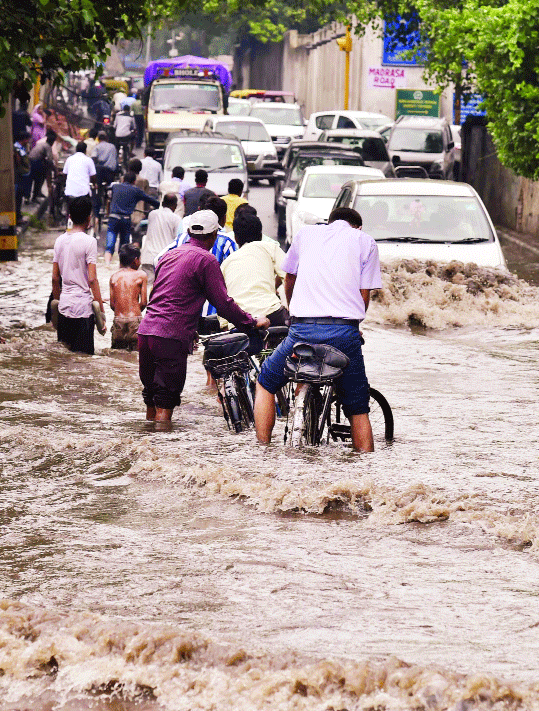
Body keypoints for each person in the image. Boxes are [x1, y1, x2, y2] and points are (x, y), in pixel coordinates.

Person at [254, 207, 383, 453]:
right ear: (357, 227)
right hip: (344, 333)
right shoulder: (365, 241)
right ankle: (367, 468)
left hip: (302, 330)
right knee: (358, 408)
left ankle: (262, 450)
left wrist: (294, 310)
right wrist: (354, 325)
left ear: (329, 222)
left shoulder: (305, 235)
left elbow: (289, 277)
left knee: (266, 382)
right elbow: (363, 296)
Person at [137, 210, 270, 423]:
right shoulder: (206, 260)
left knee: (151, 398)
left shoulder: (168, 256)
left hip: (146, 332)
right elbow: (223, 304)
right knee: (166, 401)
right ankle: (159, 449)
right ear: (214, 235)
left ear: (190, 232)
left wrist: (193, 328)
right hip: (171, 337)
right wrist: (251, 322)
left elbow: (161, 298)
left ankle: (147, 445)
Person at [52, 196, 106, 355]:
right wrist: (101, 311)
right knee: (84, 362)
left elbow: (55, 278)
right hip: (83, 309)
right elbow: (92, 279)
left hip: (64, 307)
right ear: (89, 218)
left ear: (69, 217)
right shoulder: (90, 242)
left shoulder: (59, 240)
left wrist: (59, 303)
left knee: (64, 359)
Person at [221, 211, 288, 329]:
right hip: (271, 312)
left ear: (236, 238)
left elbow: (220, 297)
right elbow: (289, 275)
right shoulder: (270, 248)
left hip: (239, 318)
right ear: (261, 235)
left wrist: (225, 325)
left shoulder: (227, 263)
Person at [105, 171, 160, 265]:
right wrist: (160, 206)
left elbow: (108, 193)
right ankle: (121, 266)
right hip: (125, 220)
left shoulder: (115, 187)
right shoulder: (136, 190)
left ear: (123, 179)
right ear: (134, 181)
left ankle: (106, 264)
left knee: (109, 246)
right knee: (124, 248)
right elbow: (152, 201)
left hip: (113, 218)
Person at [109, 244, 147, 351]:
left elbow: (113, 304)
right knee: (135, 356)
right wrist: (135, 314)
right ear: (135, 260)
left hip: (118, 319)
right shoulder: (141, 275)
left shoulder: (114, 277)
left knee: (117, 354)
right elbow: (144, 302)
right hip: (134, 319)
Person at [140, 193, 182, 284]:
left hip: (148, 257)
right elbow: (177, 240)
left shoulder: (152, 214)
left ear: (162, 203)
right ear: (175, 205)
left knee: (146, 289)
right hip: (164, 260)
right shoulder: (176, 219)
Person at [28, 130, 57, 202]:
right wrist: (55, 170)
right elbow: (50, 160)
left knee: (37, 178)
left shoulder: (41, 144)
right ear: (52, 142)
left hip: (31, 161)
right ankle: (34, 197)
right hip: (35, 163)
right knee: (39, 179)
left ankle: (38, 193)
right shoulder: (47, 147)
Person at [128, 158, 150, 231]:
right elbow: (147, 199)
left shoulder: (123, 179)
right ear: (140, 169)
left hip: (126, 213)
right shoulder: (144, 181)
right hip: (140, 214)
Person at [13, 133, 31, 225]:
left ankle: (18, 216)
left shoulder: (21, 148)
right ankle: (17, 218)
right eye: (27, 139)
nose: (28, 141)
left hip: (22, 176)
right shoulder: (16, 148)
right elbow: (18, 162)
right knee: (17, 198)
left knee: (19, 197)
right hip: (18, 177)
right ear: (24, 139)